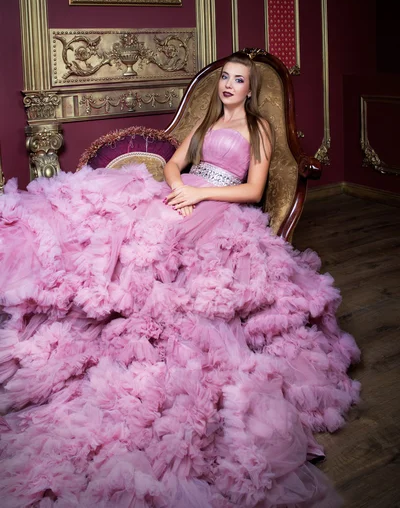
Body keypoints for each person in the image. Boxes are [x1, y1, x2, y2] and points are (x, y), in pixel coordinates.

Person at [0, 52, 360, 507]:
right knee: (122, 230)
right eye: (225, 78)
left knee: (164, 254)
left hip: (222, 204)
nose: (229, 85)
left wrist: (200, 192)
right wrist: (179, 189)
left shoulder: (259, 129)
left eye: (238, 80)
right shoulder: (207, 122)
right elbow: (174, 163)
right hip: (186, 195)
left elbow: (252, 189)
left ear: (251, 90)